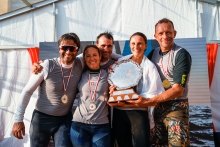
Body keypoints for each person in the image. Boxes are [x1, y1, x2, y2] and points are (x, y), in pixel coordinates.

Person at [12, 33, 83, 147]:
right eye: (64, 47)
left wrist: (122, 60)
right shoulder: (46, 65)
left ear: (77, 50)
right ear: (58, 48)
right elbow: (27, 91)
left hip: (64, 119)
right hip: (42, 119)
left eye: (72, 48)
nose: (68, 51)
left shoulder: (81, 62)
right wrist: (18, 119)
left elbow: (101, 50)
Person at [128, 18, 192, 147]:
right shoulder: (153, 53)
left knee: (179, 145)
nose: (165, 36)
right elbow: (136, 71)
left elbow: (178, 89)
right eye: (161, 33)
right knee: (157, 144)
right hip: (157, 108)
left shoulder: (181, 54)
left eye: (169, 32)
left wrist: (148, 101)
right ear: (155, 36)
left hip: (176, 106)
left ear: (175, 33)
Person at [109, 32, 164, 147]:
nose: (136, 46)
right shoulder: (120, 62)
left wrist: (136, 99)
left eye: (140, 44)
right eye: (133, 43)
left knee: (142, 144)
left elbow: (156, 93)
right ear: (130, 45)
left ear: (145, 45)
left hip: (138, 113)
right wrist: (112, 89)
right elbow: (112, 82)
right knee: (123, 144)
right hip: (119, 112)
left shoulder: (150, 67)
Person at [70, 45, 111, 147]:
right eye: (87, 56)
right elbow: (63, 64)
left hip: (101, 126)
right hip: (79, 124)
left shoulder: (109, 74)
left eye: (94, 55)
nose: (91, 58)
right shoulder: (79, 73)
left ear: (100, 56)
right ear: (84, 58)